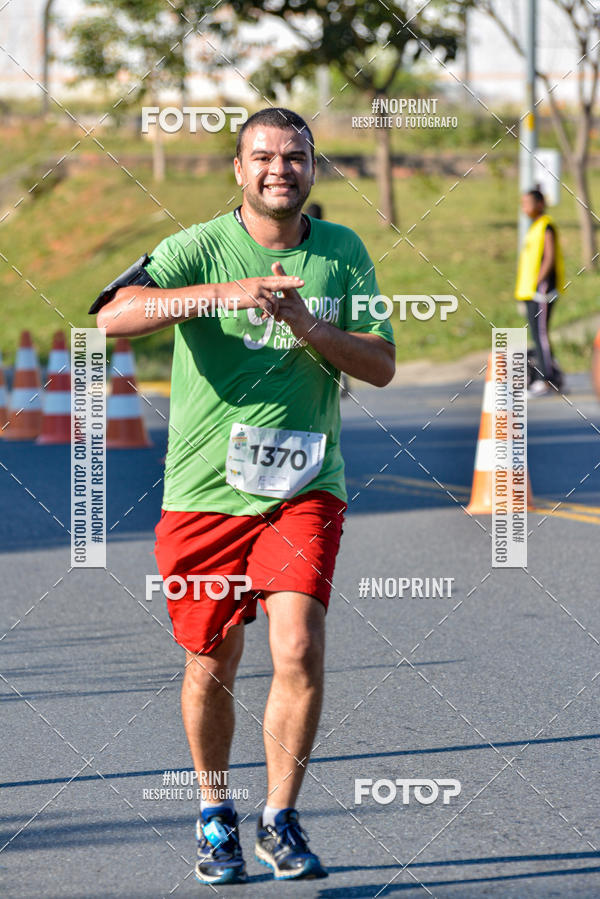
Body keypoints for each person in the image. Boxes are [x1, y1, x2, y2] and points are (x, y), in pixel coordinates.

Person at [93, 107, 395, 885]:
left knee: (296, 643)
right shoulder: (195, 246)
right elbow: (111, 316)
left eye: (294, 157)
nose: (278, 170)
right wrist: (223, 292)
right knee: (211, 661)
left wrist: (309, 327)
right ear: (238, 168)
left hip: (304, 484)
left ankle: (280, 817)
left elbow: (383, 364)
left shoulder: (342, 252)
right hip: (204, 492)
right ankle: (214, 811)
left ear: (312, 169)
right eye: (262, 156)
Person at [515, 188, 566, 397]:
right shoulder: (534, 227)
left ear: (540, 204)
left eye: (527, 203)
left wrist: (539, 282)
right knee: (537, 335)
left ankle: (547, 380)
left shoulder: (546, 225)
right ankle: (554, 376)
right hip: (529, 291)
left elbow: (549, 256)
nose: (524, 207)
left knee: (541, 334)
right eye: (522, 203)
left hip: (541, 290)